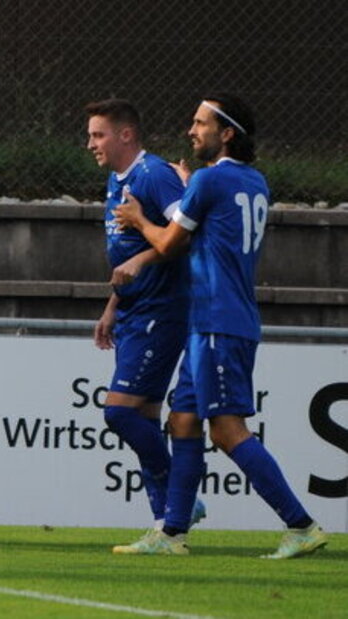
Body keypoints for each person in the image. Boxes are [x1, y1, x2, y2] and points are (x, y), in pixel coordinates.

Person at [112, 94, 327, 558]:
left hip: (217, 320)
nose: (192, 131)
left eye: (200, 123)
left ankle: (301, 524)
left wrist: (137, 218)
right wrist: (191, 186)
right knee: (184, 421)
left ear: (226, 133)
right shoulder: (253, 181)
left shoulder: (211, 180)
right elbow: (212, 214)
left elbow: (169, 244)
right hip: (220, 319)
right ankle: (172, 534)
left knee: (227, 431)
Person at [84, 98, 206, 532]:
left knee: (119, 412)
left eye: (98, 135)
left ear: (126, 134)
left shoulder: (153, 176)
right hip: (135, 309)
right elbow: (127, 252)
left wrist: (141, 264)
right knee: (145, 418)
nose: (91, 144)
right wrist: (112, 305)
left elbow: (183, 236)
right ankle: (165, 525)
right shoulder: (118, 181)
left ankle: (178, 498)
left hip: (162, 309)